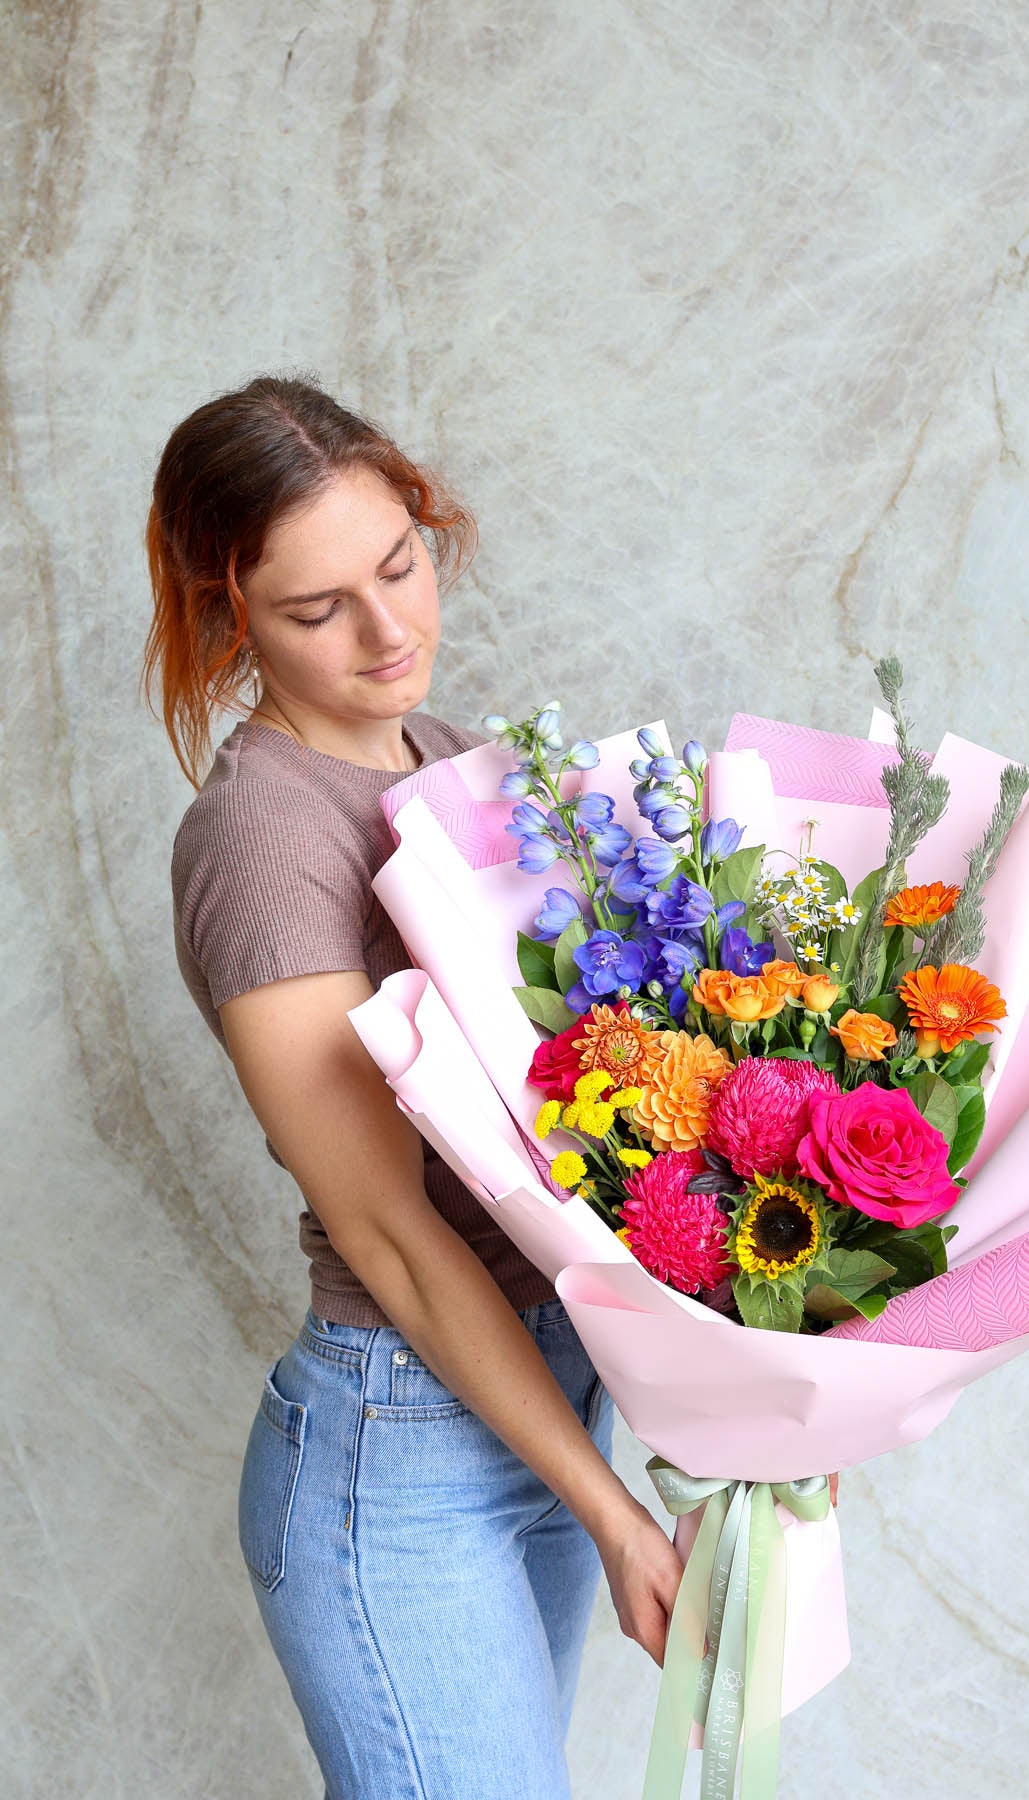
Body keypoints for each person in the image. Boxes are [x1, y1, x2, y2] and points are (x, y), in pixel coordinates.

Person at [143, 373, 687, 1800]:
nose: (389, 633)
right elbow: (387, 1234)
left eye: (399, 566)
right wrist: (614, 1514)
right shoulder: (262, 841)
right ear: (228, 617)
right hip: (403, 1450)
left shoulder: (455, 764)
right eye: (318, 610)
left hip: (539, 1400)